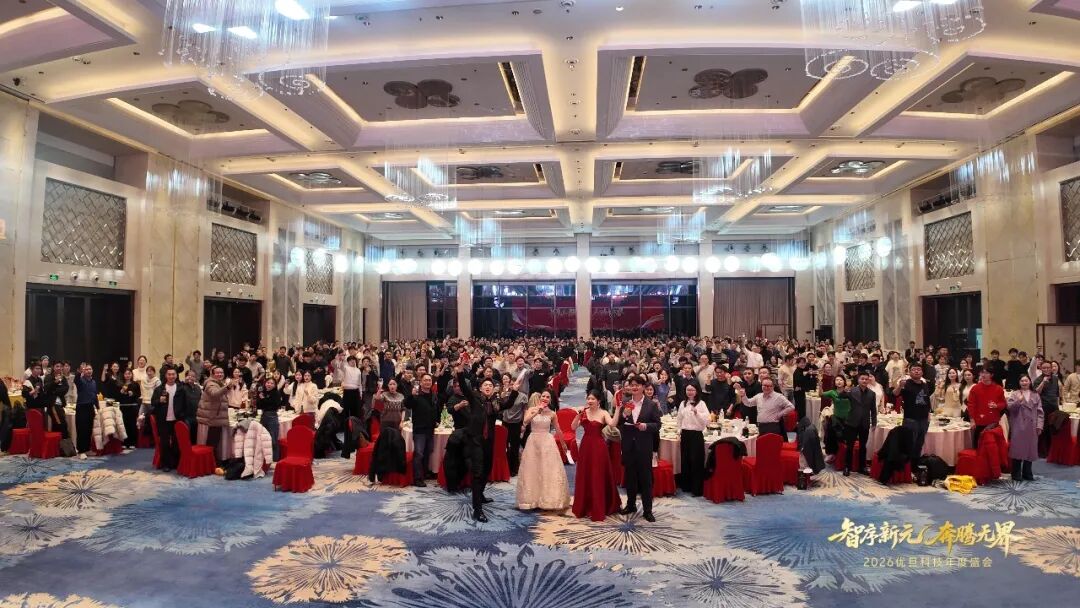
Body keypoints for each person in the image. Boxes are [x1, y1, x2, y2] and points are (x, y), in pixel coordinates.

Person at [453, 365, 517, 522]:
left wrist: (514, 391)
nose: (488, 387)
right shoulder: (474, 399)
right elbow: (464, 388)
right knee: (478, 472)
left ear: (494, 389)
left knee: (487, 469)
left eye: (490, 385)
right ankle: (477, 510)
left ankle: (480, 494)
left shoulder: (496, 403)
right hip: (475, 441)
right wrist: (460, 373)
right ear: (481, 388)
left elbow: (508, 404)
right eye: (485, 385)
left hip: (489, 441)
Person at [515, 389, 571, 511]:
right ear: (540, 398)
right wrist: (537, 411)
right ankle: (532, 499)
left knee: (547, 469)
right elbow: (525, 421)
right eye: (543, 396)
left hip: (547, 442)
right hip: (533, 441)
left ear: (550, 400)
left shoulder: (552, 414)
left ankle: (548, 499)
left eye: (547, 397)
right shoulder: (532, 409)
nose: (545, 398)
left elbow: (558, 429)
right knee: (532, 469)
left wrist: (563, 444)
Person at [570, 390, 621, 521]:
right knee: (585, 474)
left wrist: (617, 409)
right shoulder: (583, 412)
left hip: (599, 447)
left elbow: (612, 424)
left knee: (597, 474)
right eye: (588, 398)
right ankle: (584, 506)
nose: (590, 401)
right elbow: (573, 427)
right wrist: (578, 416)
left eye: (592, 399)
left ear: (598, 401)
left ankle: (599, 506)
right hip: (586, 446)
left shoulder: (603, 413)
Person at [617, 374, 662, 522]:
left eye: (637, 385)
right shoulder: (625, 402)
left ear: (643, 387)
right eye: (632, 385)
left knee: (645, 479)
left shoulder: (651, 404)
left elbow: (658, 425)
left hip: (644, 446)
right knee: (630, 477)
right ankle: (630, 505)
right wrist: (624, 415)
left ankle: (648, 510)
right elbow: (618, 423)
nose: (634, 387)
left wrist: (646, 426)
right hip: (628, 445)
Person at [405, 372, 441, 485]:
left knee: (427, 452)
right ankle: (417, 478)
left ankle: (424, 473)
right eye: (425, 380)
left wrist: (437, 420)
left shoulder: (434, 395)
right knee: (419, 454)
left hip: (430, 429)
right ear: (421, 382)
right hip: (419, 429)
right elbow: (407, 405)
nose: (427, 382)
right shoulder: (416, 395)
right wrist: (411, 395)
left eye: (429, 380)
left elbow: (437, 409)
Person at [894, 364, 933, 470]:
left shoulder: (924, 384)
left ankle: (914, 467)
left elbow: (927, 401)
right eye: (914, 369)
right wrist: (899, 386)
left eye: (919, 369)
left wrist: (928, 414)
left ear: (922, 372)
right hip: (910, 419)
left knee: (919, 444)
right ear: (909, 372)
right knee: (909, 443)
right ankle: (906, 468)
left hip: (923, 420)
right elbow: (895, 394)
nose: (916, 371)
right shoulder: (906, 383)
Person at [369, 378, 407, 483]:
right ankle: (382, 472)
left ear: (397, 385)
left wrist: (402, 421)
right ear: (388, 386)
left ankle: (394, 470)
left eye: (394, 384)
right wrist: (379, 388)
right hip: (385, 423)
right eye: (390, 384)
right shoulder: (384, 395)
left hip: (397, 423)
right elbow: (377, 398)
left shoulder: (401, 396)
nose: (392, 386)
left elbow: (403, 409)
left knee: (396, 446)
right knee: (384, 447)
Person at [1006, 375, 1043, 481]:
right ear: (1019, 382)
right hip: (1019, 426)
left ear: (1030, 382)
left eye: (1026, 380)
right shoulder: (1015, 394)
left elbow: (1040, 412)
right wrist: (1018, 401)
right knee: (1017, 450)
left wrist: (1039, 425)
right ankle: (1016, 473)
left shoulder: (1035, 395)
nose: (1024, 382)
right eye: (1022, 381)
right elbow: (1010, 408)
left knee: (1030, 450)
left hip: (1032, 426)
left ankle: (1027, 473)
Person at [151, 368, 189, 471]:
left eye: (173, 374)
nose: (171, 376)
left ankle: (175, 463)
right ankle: (166, 464)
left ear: (176, 375)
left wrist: (182, 415)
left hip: (177, 420)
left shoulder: (181, 389)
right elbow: (153, 403)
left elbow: (186, 404)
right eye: (169, 374)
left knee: (177, 442)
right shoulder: (159, 389)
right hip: (163, 419)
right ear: (166, 376)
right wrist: (159, 400)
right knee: (165, 442)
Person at [676, 383, 710, 496]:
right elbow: (679, 419)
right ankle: (686, 486)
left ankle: (696, 489)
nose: (690, 392)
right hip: (685, 434)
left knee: (696, 461)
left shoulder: (701, 403)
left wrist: (697, 413)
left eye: (692, 390)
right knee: (685, 460)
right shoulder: (683, 403)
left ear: (697, 391)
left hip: (696, 435)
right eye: (688, 390)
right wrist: (679, 430)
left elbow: (707, 420)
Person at [844, 372, 878, 476]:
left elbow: (873, 410)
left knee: (863, 446)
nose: (864, 381)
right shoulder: (852, 391)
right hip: (852, 422)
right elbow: (841, 396)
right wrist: (844, 391)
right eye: (862, 379)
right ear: (858, 380)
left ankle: (862, 467)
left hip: (865, 423)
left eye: (866, 379)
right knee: (849, 446)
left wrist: (874, 422)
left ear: (868, 381)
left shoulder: (872, 394)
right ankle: (847, 467)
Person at [966, 368, 1005, 448]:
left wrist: (997, 406)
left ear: (991, 375)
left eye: (986, 373)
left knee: (992, 447)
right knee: (978, 446)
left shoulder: (998, 388)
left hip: (993, 422)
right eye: (982, 373)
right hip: (979, 422)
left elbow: (1003, 403)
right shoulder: (975, 388)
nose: (983, 375)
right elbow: (971, 405)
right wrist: (972, 420)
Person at [499, 374, 528, 478]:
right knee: (505, 446)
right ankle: (505, 468)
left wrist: (524, 424)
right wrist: (503, 395)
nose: (512, 386)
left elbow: (525, 411)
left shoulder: (523, 396)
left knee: (515, 447)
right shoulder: (505, 395)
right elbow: (500, 407)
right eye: (511, 384)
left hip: (516, 424)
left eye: (515, 384)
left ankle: (514, 469)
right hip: (505, 423)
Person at [196, 366, 228, 461]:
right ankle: (212, 462)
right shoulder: (210, 384)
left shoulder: (219, 383)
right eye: (217, 373)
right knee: (212, 443)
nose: (220, 374)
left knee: (214, 442)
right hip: (213, 418)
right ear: (212, 374)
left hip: (216, 417)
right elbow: (214, 394)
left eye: (221, 372)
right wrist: (227, 387)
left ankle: (212, 461)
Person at [1033, 360, 1061, 457]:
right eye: (1044, 368)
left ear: (1051, 368)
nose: (1046, 369)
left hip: (1054, 407)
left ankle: (1051, 451)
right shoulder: (1038, 380)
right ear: (1041, 369)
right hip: (1043, 408)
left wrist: (1058, 405)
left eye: (1048, 368)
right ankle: (1042, 452)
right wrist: (1043, 382)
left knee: (1053, 430)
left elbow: (1056, 394)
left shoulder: (1055, 378)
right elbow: (1036, 393)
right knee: (1043, 430)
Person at [253, 377, 282, 461]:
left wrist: (263, 399)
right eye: (268, 382)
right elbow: (259, 405)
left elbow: (274, 405)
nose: (269, 384)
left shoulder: (276, 393)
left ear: (275, 385)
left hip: (272, 416)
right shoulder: (263, 393)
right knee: (263, 438)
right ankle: (264, 458)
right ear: (265, 383)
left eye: (272, 383)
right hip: (263, 416)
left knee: (273, 439)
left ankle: (275, 459)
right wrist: (261, 399)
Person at [73, 363, 98, 458]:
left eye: (90, 369)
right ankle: (81, 451)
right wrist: (80, 371)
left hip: (90, 407)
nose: (88, 371)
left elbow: (94, 395)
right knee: (82, 430)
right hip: (81, 407)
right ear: (83, 371)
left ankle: (87, 449)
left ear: (92, 370)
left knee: (89, 429)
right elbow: (76, 379)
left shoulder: (93, 382)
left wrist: (97, 407)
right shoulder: (81, 380)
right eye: (86, 369)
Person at [117, 368, 141, 448]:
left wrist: (133, 394)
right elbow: (117, 396)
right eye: (126, 374)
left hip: (132, 407)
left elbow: (139, 395)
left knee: (132, 424)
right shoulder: (120, 384)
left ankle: (133, 443)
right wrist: (121, 392)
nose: (127, 375)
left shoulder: (135, 384)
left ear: (131, 375)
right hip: (123, 407)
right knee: (124, 424)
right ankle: (124, 442)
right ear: (124, 375)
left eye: (129, 374)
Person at [341, 356, 363, 420]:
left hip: (356, 391)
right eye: (350, 360)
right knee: (346, 409)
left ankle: (355, 423)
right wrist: (342, 360)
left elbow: (359, 383)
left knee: (356, 410)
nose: (353, 361)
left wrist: (360, 393)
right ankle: (346, 423)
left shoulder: (358, 370)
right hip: (347, 392)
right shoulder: (346, 368)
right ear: (348, 362)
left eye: (354, 360)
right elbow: (341, 366)